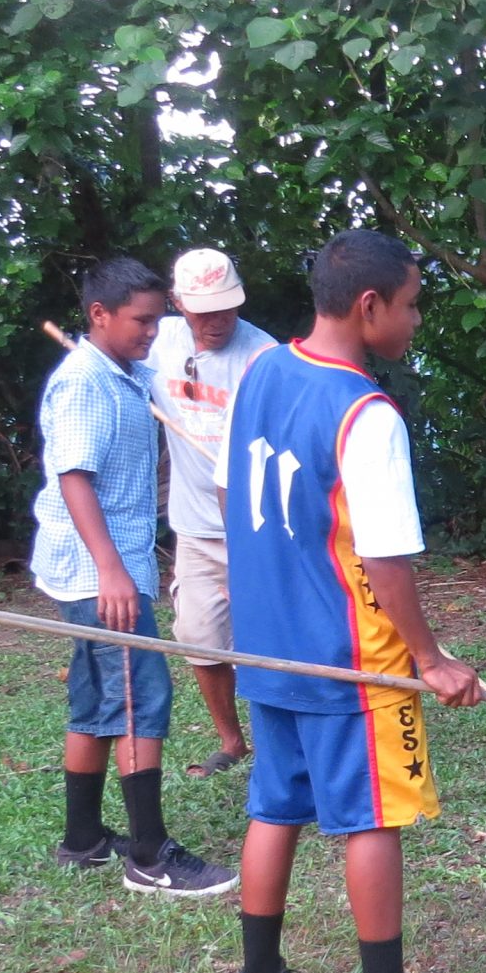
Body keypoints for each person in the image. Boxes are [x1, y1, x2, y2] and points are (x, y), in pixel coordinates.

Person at [213, 229, 486, 973]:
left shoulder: (261, 371)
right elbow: (383, 553)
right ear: (369, 307)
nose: (413, 321)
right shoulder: (366, 413)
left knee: (275, 803)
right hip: (350, 653)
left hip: (268, 645)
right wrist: (431, 658)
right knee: (371, 815)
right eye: (408, 306)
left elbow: (231, 492)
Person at [32, 256, 239, 896]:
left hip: (99, 566)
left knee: (95, 700)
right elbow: (73, 477)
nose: (153, 332)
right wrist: (111, 572)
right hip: (102, 572)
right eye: (141, 322)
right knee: (138, 698)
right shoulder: (84, 384)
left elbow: (171, 378)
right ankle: (149, 855)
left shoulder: (121, 374)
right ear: (99, 316)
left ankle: (84, 839)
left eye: (157, 320)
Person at [146, 248, 278, 778]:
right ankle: (231, 740)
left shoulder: (263, 356)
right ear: (178, 304)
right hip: (194, 525)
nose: (218, 321)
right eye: (204, 311)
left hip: (258, 525)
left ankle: (280, 741)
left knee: (271, 638)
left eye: (227, 308)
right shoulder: (157, 344)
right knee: (199, 636)